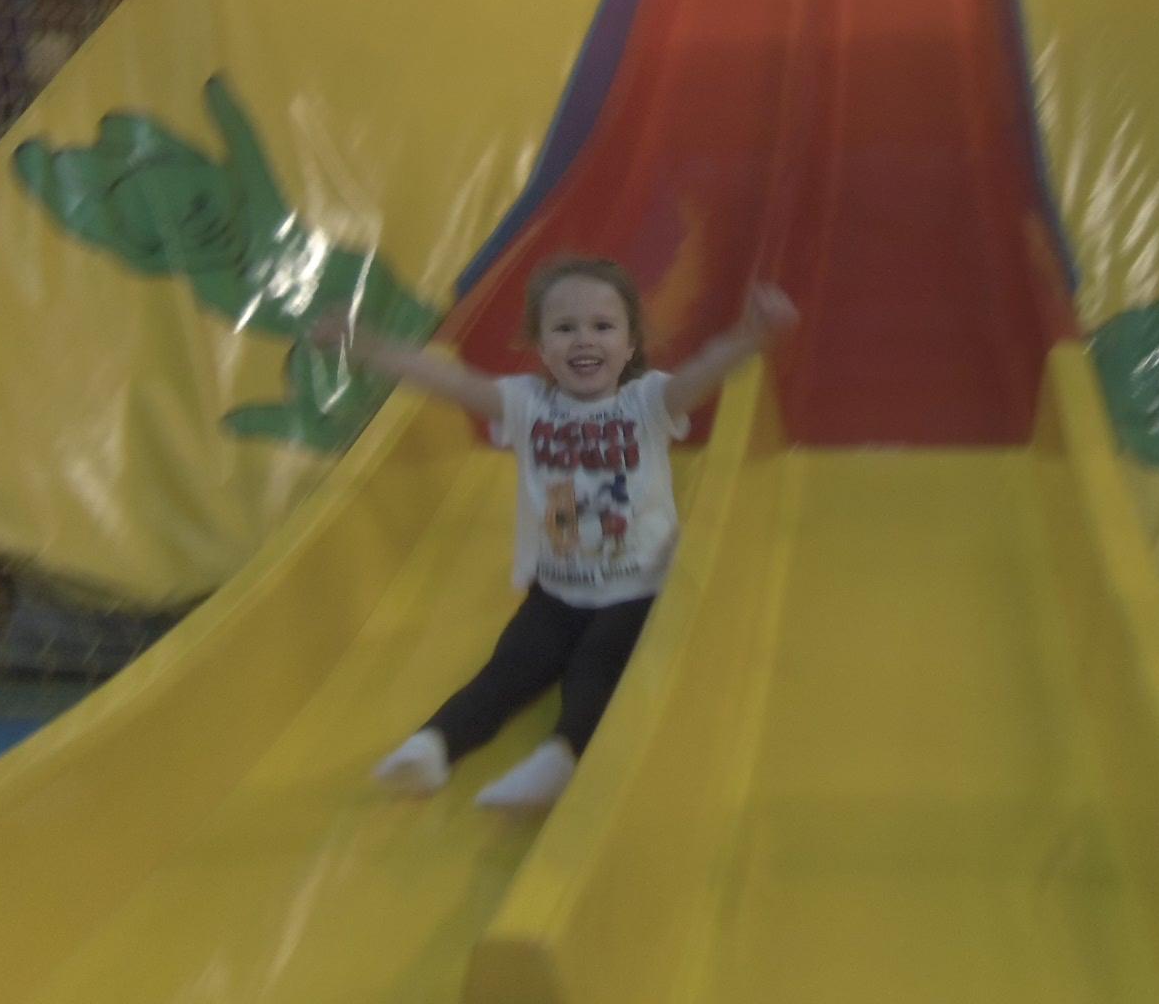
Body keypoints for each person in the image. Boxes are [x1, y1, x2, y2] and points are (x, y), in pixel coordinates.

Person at [314, 256, 798, 809]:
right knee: (507, 668)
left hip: (637, 588)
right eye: (564, 328)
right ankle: (435, 746)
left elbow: (703, 372)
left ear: (630, 344)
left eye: (602, 326)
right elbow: (448, 381)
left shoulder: (646, 404)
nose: (583, 339)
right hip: (557, 588)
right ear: (541, 348)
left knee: (597, 668)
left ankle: (563, 755)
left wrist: (751, 337)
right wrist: (366, 346)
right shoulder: (526, 405)